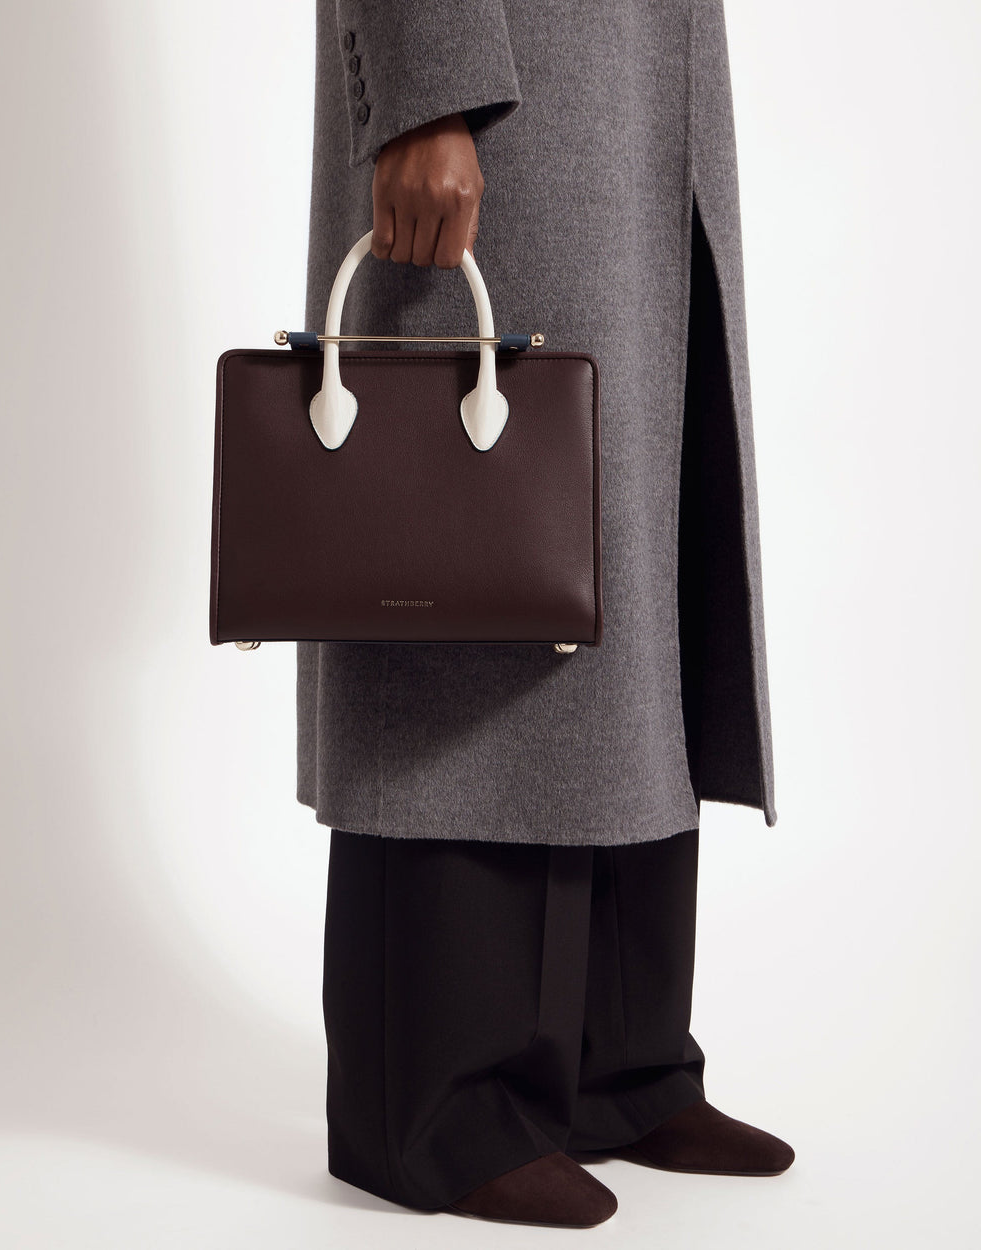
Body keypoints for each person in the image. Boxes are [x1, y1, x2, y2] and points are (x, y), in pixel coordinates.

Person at [298, 0, 792, 1227]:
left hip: (635, 76)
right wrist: (425, 89)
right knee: (470, 546)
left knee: (619, 540)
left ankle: (612, 1062)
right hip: (500, 85)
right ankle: (437, 1103)